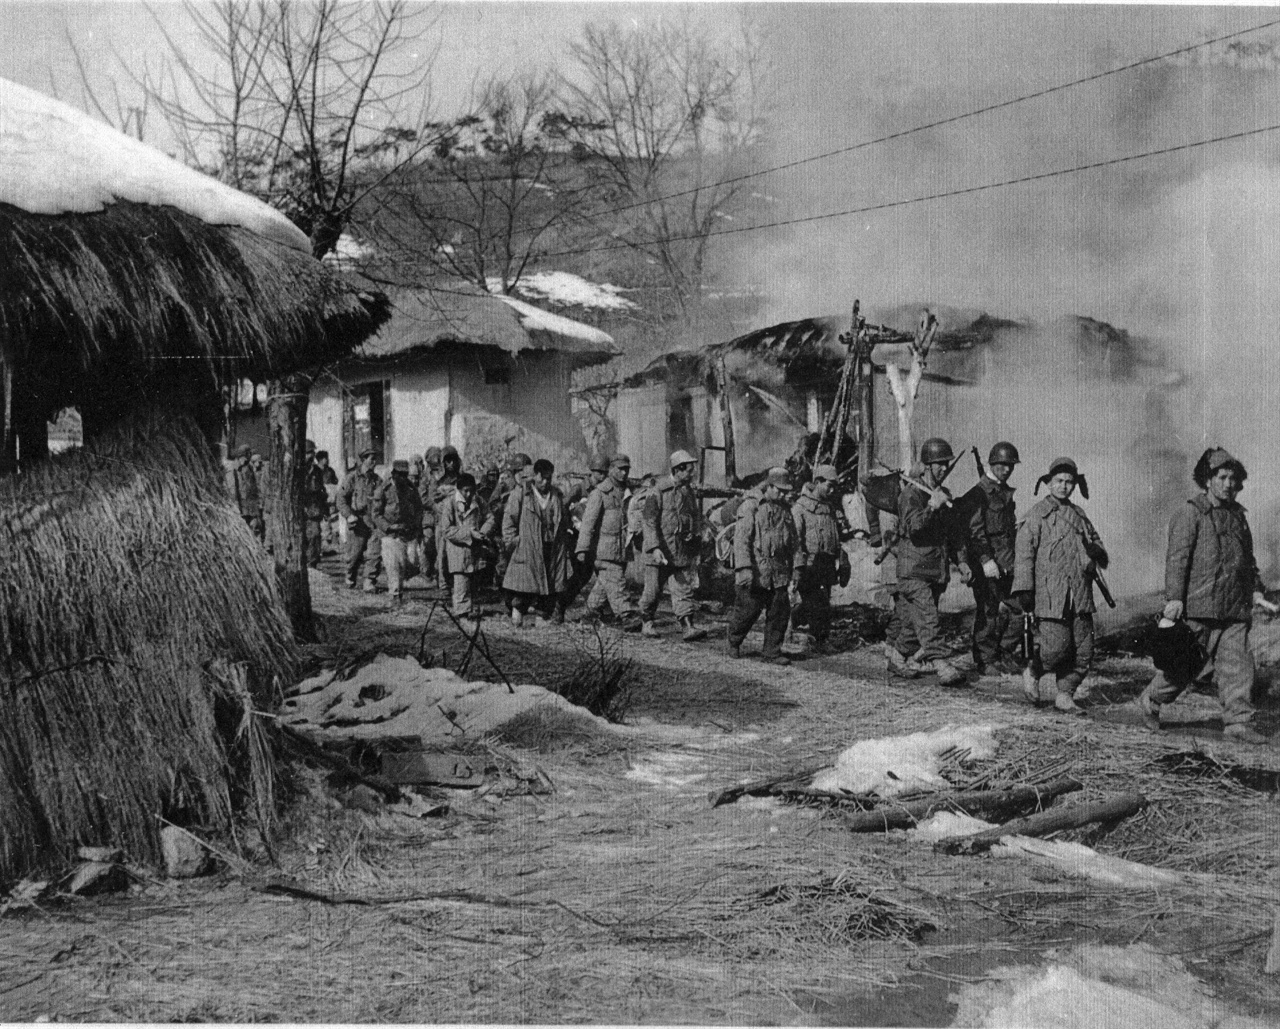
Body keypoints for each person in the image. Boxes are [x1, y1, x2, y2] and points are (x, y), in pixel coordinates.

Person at [1137, 448, 1276, 745]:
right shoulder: (1191, 513)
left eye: (1233, 478)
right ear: (1207, 479)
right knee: (1182, 669)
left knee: (1239, 668)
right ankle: (1151, 700)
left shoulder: (1238, 516)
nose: (1228, 484)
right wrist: (1174, 598)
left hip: (1234, 610)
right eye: (1222, 477)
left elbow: (1247, 560)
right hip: (1199, 607)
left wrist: (1256, 590)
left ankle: (1238, 722)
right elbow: (1177, 559)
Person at [1010, 456, 1109, 713]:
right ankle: (1033, 671)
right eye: (1059, 481)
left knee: (1084, 651)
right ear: (1049, 483)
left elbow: (1095, 541)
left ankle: (1065, 695)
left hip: (1080, 593)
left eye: (1069, 482)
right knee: (1055, 649)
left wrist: (1095, 552)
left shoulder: (1079, 514)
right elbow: (1024, 555)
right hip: (1050, 594)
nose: (1064, 486)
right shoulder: (1037, 515)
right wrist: (1025, 591)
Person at [884, 437, 970, 687]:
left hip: (935, 570)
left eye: (946, 463)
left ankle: (898, 657)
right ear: (927, 466)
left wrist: (962, 562)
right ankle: (941, 663)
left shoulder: (943, 495)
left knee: (915, 621)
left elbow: (953, 535)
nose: (944, 468)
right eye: (939, 464)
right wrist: (932, 507)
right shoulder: (911, 494)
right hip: (913, 571)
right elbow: (914, 529)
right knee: (929, 618)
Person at [728, 467, 799, 665]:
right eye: (779, 490)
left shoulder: (786, 511)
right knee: (747, 612)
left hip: (779, 573)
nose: (783, 494)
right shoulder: (750, 507)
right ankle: (734, 640)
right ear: (768, 486)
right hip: (756, 571)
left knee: (779, 613)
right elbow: (741, 540)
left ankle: (772, 651)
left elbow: (794, 543)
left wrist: (797, 568)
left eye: (786, 491)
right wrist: (743, 569)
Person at [963, 442, 1023, 674]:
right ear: (991, 464)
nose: (1006, 469)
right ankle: (985, 660)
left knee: (1020, 608)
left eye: (1010, 465)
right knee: (987, 611)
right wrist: (986, 560)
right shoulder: (978, 493)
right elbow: (974, 532)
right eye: (1001, 465)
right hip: (985, 564)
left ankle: (1005, 652)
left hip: (1007, 562)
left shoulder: (1003, 492)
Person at [639, 450, 710, 641]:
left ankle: (688, 627)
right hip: (659, 552)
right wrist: (654, 548)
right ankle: (647, 622)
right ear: (677, 470)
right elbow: (649, 521)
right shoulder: (658, 490)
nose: (691, 474)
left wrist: (697, 535)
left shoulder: (688, 492)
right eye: (688, 470)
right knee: (652, 592)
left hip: (680, 551)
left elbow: (694, 517)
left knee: (683, 590)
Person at [502, 458, 573, 626]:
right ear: (535, 476)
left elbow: (563, 520)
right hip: (528, 545)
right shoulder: (521, 493)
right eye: (542, 478)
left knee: (549, 583)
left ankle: (542, 615)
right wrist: (513, 541)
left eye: (549, 478)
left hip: (551, 546)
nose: (546, 482)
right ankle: (517, 611)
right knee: (525, 583)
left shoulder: (556, 495)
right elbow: (509, 520)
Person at [576, 454, 639, 628]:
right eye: (620, 469)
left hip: (621, 548)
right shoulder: (599, 493)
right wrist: (582, 549)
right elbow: (588, 523)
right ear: (611, 469)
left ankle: (589, 616)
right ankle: (626, 615)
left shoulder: (628, 492)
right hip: (604, 550)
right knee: (617, 581)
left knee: (604, 586)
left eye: (626, 469)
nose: (624, 473)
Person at [790, 463, 842, 654]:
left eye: (834, 486)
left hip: (826, 564)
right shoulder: (800, 508)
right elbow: (795, 541)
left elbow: (837, 537)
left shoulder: (830, 509)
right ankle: (819, 639)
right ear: (817, 482)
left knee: (823, 603)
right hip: (809, 565)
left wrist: (842, 562)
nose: (832, 489)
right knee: (816, 602)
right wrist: (798, 566)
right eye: (829, 485)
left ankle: (801, 623)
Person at [439, 471, 497, 620]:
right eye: (465, 490)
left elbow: (490, 517)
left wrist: (482, 533)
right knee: (461, 583)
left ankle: (474, 611)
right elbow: (447, 530)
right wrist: (469, 534)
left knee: (475, 581)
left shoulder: (478, 500)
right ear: (459, 489)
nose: (469, 493)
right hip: (457, 549)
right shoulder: (449, 503)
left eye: (471, 490)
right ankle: (462, 614)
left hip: (476, 549)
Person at [371, 459, 424, 605]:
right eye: (399, 474)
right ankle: (395, 595)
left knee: (412, 564)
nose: (402, 478)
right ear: (393, 474)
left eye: (405, 474)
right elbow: (376, 514)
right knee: (393, 563)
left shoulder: (411, 488)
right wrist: (388, 527)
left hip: (408, 533)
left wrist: (415, 524)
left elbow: (419, 508)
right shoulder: (383, 489)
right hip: (390, 534)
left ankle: (399, 582)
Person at [336, 448, 383, 592]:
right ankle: (350, 577)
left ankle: (369, 581)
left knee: (374, 553)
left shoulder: (377, 480)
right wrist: (348, 514)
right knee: (354, 555)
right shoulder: (352, 478)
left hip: (373, 520)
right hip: (357, 521)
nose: (374, 462)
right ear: (363, 460)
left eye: (375, 459)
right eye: (371, 459)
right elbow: (341, 499)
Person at [302, 448, 335, 568]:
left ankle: (312, 563)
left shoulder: (316, 470)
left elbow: (322, 491)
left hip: (314, 508)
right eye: (307, 452)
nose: (310, 455)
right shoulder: (298, 469)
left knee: (315, 535)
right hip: (301, 509)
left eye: (311, 453)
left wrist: (325, 509)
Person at [226, 443, 264, 540]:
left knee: (256, 529)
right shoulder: (233, 469)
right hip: (241, 508)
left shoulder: (249, 467)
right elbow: (232, 490)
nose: (248, 458)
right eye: (246, 455)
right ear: (242, 456)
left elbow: (254, 487)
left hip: (252, 507)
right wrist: (236, 508)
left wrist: (258, 503)